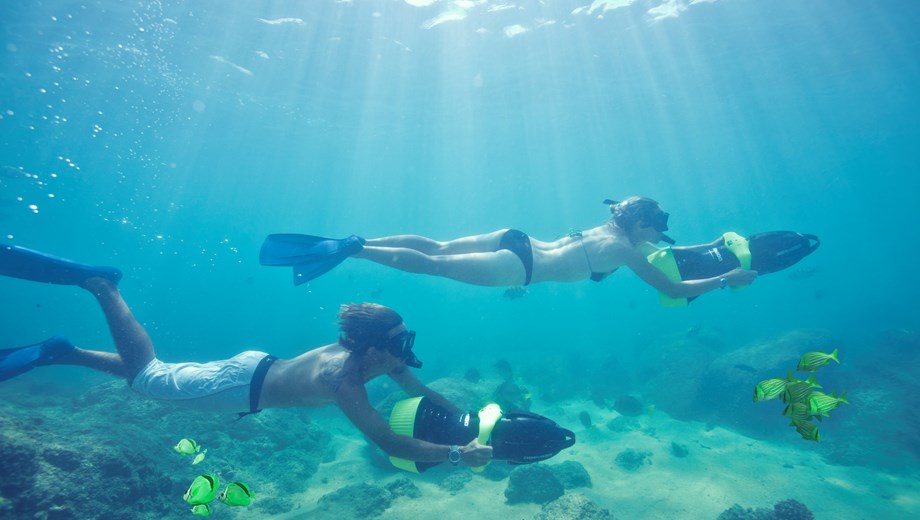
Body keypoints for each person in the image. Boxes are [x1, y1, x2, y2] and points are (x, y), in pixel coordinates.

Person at [0, 245, 493, 468]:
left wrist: (466, 419)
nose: (406, 349)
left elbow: (422, 392)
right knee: (150, 377)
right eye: (399, 340)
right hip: (240, 388)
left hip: (255, 369)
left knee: (151, 375)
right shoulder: (343, 379)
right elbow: (390, 442)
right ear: (370, 346)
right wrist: (456, 454)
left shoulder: (384, 359)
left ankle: (63, 354)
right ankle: (102, 286)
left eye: (405, 339)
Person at [260, 196, 759, 300]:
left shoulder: (613, 234)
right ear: (643, 224)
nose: (662, 235)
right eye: (660, 226)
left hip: (515, 238)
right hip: (518, 268)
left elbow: (667, 252)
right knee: (433, 265)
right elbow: (671, 283)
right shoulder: (627, 252)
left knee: (434, 246)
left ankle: (358, 240)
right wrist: (724, 276)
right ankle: (354, 252)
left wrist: (712, 244)